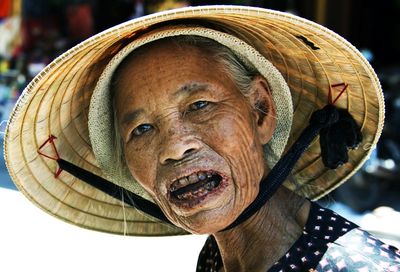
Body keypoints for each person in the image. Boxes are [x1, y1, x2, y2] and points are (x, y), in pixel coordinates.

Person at [4, 6, 400, 271]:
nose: (176, 147)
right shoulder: (218, 255)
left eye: (199, 106)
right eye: (141, 129)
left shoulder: (353, 265)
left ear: (260, 111)